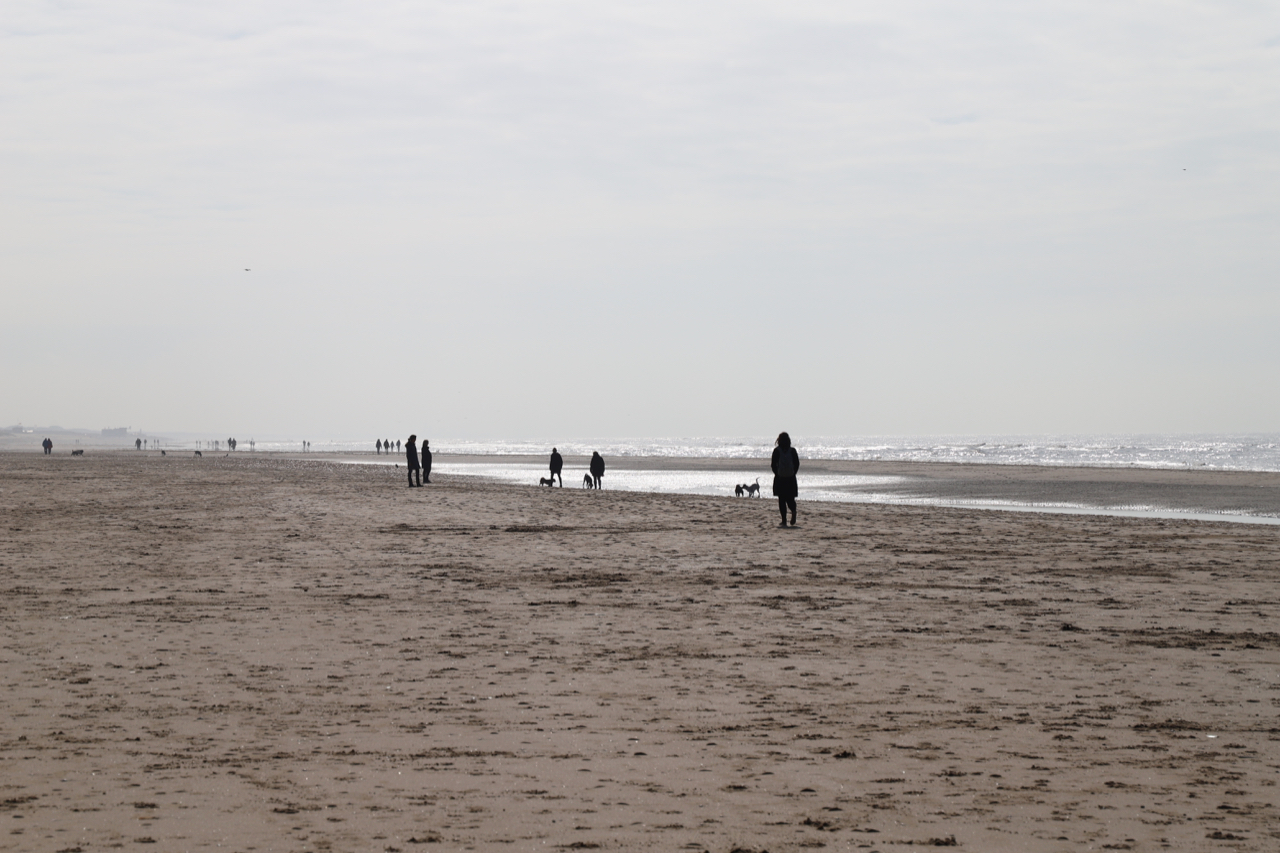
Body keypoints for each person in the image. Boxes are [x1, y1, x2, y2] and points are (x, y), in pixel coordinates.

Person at [771, 431, 800, 527]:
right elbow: (797, 464)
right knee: (790, 498)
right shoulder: (792, 451)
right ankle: (793, 511)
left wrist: (777, 474)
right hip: (790, 479)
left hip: (780, 479)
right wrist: (793, 474)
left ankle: (784, 521)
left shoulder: (777, 451)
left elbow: (773, 465)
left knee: (781, 500)